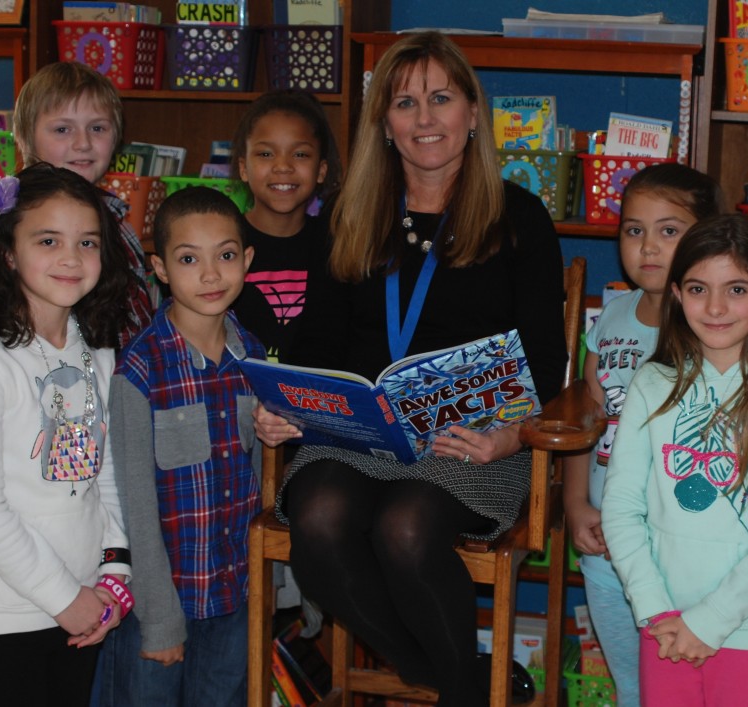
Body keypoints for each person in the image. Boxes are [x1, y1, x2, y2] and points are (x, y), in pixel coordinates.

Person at [253, 31, 566, 707]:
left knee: (405, 525)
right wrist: (288, 404)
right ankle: (460, 680)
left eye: (441, 98)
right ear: (385, 124)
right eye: (404, 102)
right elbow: (316, 342)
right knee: (320, 517)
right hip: (363, 434)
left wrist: (510, 435)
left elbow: (546, 357)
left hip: (474, 438)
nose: (425, 119)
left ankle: (455, 687)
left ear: (473, 114)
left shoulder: (520, 217)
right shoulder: (349, 212)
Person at [600, 214, 748, 706]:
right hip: (662, 625)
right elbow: (621, 507)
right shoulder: (652, 383)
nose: (717, 307)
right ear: (678, 294)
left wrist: (710, 621)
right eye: (700, 289)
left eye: (738, 289)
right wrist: (656, 612)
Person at [0, 164, 136, 706]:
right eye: (49, 240)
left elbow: (106, 472)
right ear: (7, 252)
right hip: (4, 610)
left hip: (84, 598)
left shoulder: (94, 348)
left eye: (86, 242)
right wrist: (63, 596)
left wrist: (114, 568)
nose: (71, 257)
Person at [563, 162, 724, 707]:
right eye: (634, 230)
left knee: (681, 688)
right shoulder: (610, 316)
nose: (648, 247)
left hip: (679, 557)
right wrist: (575, 502)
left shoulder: (715, 329)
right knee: (633, 689)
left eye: (669, 230)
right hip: (607, 548)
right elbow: (587, 414)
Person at [99, 187, 265, 707]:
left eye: (227, 255)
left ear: (248, 261)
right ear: (160, 269)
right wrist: (159, 617)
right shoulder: (140, 372)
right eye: (189, 259)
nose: (211, 274)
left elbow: (263, 479)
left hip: (235, 593)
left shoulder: (255, 360)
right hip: (165, 598)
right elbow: (135, 510)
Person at [13, 61, 155, 347]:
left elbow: (138, 312)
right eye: (63, 129)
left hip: (120, 374)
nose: (83, 143)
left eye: (98, 128)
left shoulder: (117, 219)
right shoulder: (11, 214)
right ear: (26, 137)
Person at [230, 89, 342, 361]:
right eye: (266, 154)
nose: (282, 166)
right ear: (243, 168)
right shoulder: (225, 243)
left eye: (300, 154)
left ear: (321, 170)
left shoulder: (337, 246)